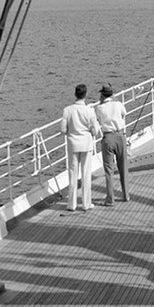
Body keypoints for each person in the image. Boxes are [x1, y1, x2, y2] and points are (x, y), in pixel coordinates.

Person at [60, 83, 101, 211]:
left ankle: (71, 204)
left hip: (73, 143)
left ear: (75, 94)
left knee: (73, 173)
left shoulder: (67, 110)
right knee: (86, 174)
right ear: (85, 95)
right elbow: (95, 132)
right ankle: (86, 203)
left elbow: (62, 129)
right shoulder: (89, 111)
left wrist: (70, 132)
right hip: (86, 144)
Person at [96, 84, 130, 203]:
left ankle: (110, 199)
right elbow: (123, 114)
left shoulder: (100, 108)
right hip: (120, 136)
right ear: (112, 94)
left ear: (102, 95)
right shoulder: (118, 104)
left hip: (108, 137)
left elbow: (98, 119)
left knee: (109, 170)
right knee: (123, 166)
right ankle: (126, 195)